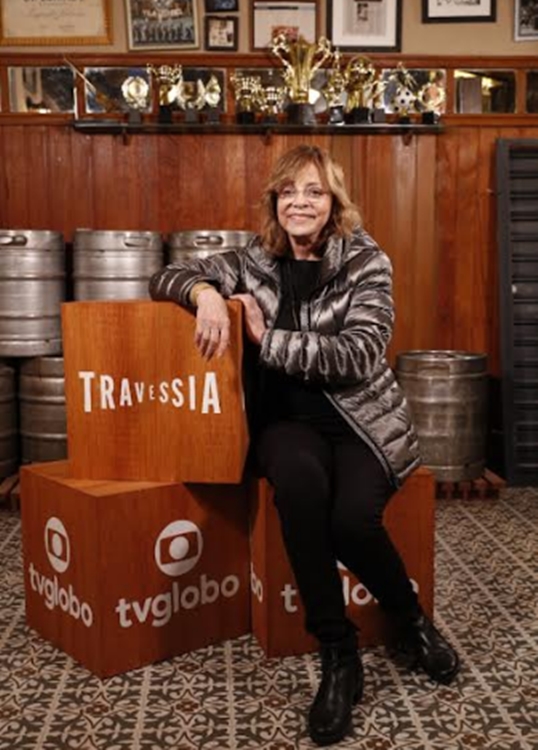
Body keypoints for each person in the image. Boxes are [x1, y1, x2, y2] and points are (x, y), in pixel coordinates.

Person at [149, 145, 460, 746]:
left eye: (314, 191)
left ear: (333, 202)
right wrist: (206, 294)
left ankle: (411, 619)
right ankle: (338, 653)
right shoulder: (253, 258)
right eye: (288, 192)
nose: (300, 202)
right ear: (274, 202)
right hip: (285, 422)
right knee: (298, 487)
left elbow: (359, 353)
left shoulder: (366, 260)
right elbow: (163, 275)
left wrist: (266, 337)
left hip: (362, 420)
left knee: (351, 522)